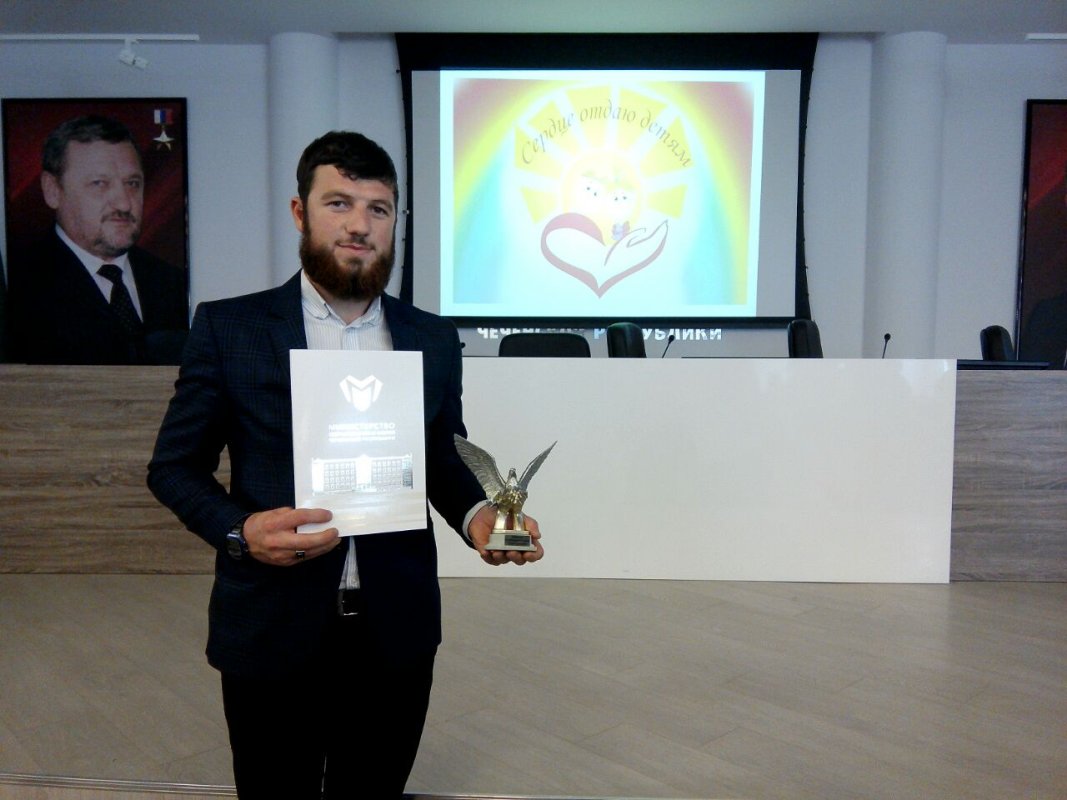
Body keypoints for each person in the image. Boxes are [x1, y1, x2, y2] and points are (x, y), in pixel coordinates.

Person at [147, 131, 544, 799]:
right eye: (338, 203)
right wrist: (241, 531)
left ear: (395, 223)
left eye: (377, 209)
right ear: (299, 212)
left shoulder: (430, 337)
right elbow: (173, 467)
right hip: (271, 623)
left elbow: (443, 453)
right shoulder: (229, 328)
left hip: (395, 628)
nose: (360, 225)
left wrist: (480, 514)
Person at [6, 115, 188, 364]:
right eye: (100, 183)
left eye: (132, 183)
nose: (124, 203)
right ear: (52, 190)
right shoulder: (20, 288)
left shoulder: (172, 282)